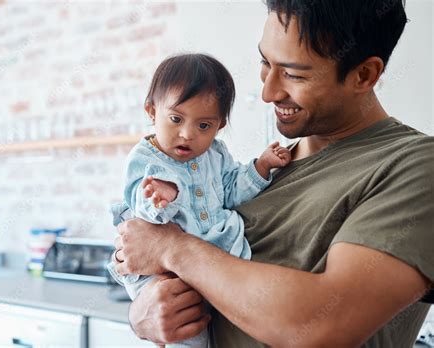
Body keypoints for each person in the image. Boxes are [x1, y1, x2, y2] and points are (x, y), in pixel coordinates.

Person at [112, 0, 434, 346]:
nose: (268, 92)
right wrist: (145, 310)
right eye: (266, 63)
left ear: (363, 75)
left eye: (294, 74)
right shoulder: (261, 171)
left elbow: (324, 324)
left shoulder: (414, 166)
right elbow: (147, 256)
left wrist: (172, 248)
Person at [108, 53, 291, 347]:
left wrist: (261, 166)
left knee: (221, 317)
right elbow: (139, 208)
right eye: (176, 119)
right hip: (160, 270)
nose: (187, 134)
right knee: (187, 328)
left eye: (203, 126)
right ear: (152, 111)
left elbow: (231, 189)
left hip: (208, 257)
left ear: (219, 126)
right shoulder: (146, 158)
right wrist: (159, 198)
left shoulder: (216, 155)